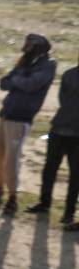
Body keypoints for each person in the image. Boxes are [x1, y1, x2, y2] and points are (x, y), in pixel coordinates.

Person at [0, 33, 56, 214]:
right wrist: (18, 80)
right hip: (6, 114)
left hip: (21, 117)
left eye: (30, 44)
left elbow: (31, 84)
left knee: (12, 160)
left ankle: (12, 198)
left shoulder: (48, 65)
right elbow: (3, 83)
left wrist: (16, 81)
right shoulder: (24, 62)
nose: (26, 46)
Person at [31, 51, 79, 228]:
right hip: (59, 129)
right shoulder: (69, 74)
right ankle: (44, 203)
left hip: (75, 134)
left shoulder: (69, 75)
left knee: (75, 176)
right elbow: (62, 100)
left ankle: (69, 212)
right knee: (50, 168)